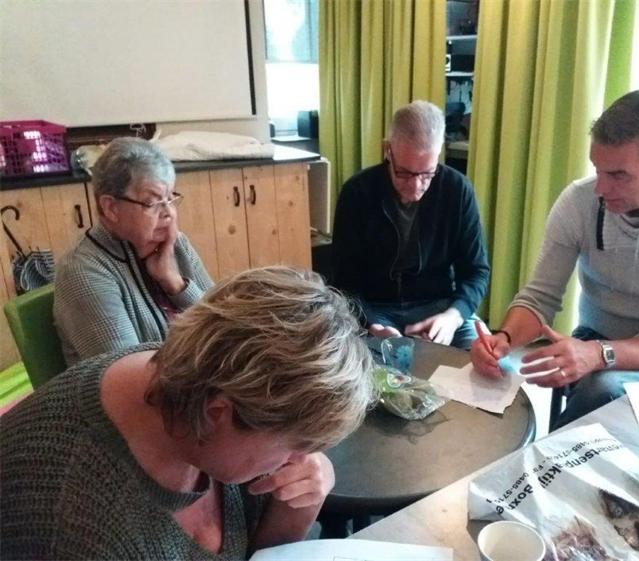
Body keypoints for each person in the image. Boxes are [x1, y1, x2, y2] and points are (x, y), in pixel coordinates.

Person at [1, 266, 374, 560]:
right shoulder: (83, 524)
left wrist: (298, 503)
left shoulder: (201, 384)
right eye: (296, 446)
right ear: (217, 412)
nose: (302, 459)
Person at [471, 89, 639, 428]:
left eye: (618, 175)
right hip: (596, 334)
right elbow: (540, 296)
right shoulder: (579, 200)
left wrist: (597, 354)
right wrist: (503, 340)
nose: (600, 189)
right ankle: (554, 457)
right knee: (520, 376)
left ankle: (545, 459)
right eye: (598, 170)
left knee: (603, 389)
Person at [331, 100, 489, 349]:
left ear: (439, 154)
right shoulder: (357, 192)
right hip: (376, 309)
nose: (416, 186)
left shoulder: (457, 190)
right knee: (358, 367)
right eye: (404, 173)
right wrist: (370, 323)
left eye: (427, 174)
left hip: (441, 308)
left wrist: (454, 316)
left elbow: (476, 271)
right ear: (388, 150)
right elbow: (343, 281)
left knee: (495, 365)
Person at [54, 137, 213, 366]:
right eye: (152, 203)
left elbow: (225, 322)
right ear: (111, 208)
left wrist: (176, 284)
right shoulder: (82, 271)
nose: (168, 213)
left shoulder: (176, 244)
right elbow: (128, 373)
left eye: (170, 199)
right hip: (150, 386)